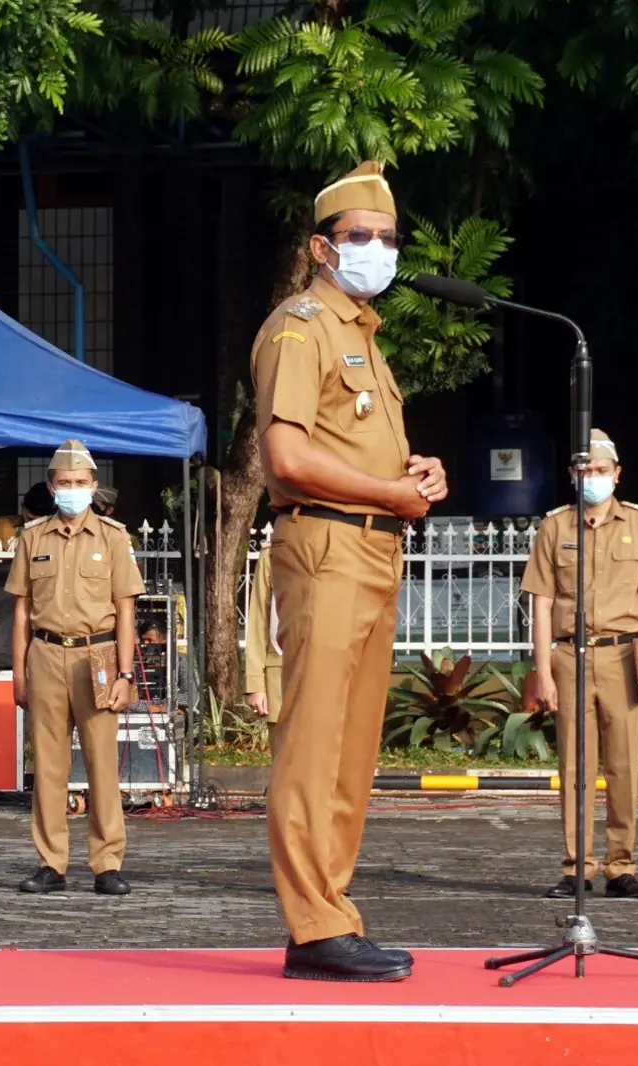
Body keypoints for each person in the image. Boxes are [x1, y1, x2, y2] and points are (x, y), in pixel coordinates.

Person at [251, 161, 447, 982]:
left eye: (388, 238)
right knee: (315, 740)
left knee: (355, 746)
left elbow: (370, 454)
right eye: (359, 237)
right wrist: (390, 493)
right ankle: (314, 920)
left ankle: (331, 914)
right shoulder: (299, 327)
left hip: (372, 546)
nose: (376, 250)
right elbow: (286, 455)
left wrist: (420, 475)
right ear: (320, 249)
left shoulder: (364, 337)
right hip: (327, 546)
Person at [521, 429, 638, 901]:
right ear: (572, 474)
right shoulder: (555, 528)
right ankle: (577, 868)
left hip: (623, 655)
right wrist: (542, 670)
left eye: (602, 471)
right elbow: (541, 604)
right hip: (570, 655)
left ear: (617, 475)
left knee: (625, 766)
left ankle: (621, 866)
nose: (593, 479)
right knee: (574, 767)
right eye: (585, 471)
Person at [5, 439, 145, 896]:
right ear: (51, 486)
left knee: (103, 763)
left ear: (94, 486)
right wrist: (19, 673)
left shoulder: (113, 537)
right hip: (44, 655)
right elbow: (22, 612)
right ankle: (51, 863)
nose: (72, 490)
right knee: (48, 765)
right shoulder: (33, 538)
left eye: (80, 483)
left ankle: (107, 863)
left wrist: (126, 675)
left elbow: (126, 610)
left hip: (97, 657)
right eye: (64, 483)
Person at [244, 544, 283, 757]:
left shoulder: (340, 547)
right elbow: (259, 618)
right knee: (285, 767)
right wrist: (255, 683)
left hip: (328, 676)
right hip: (281, 675)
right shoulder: (274, 553)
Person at [133, 618, 191, 711]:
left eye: (150, 640)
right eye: (143, 640)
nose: (146, 643)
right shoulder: (136, 663)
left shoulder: (180, 660)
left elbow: (190, 695)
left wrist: (166, 705)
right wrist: (157, 708)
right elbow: (129, 701)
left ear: (164, 639)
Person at [0, 482, 54, 549]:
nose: (31, 525)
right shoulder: (2, 526)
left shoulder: (57, 533)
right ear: (22, 506)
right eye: (30, 519)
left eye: (39, 522)